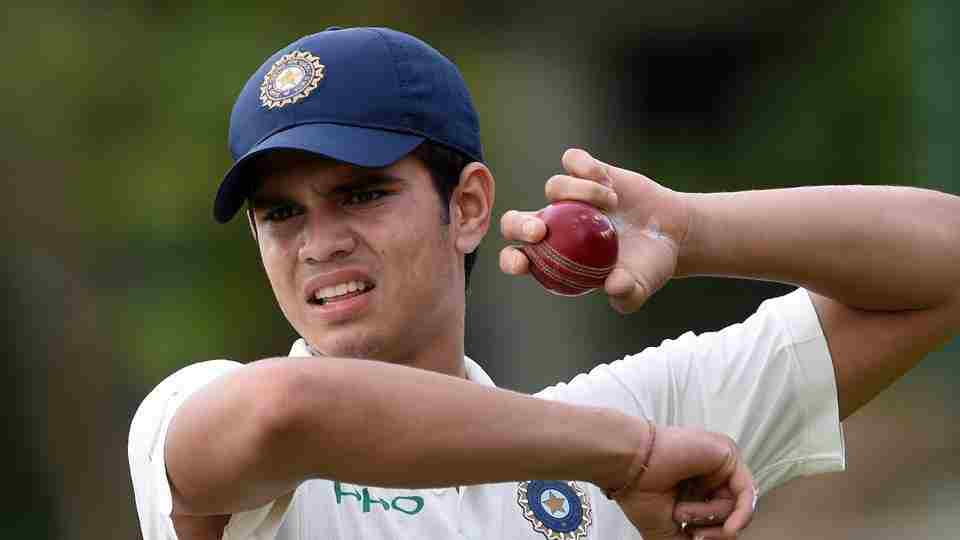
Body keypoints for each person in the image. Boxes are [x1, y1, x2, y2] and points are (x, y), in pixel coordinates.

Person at [128, 26, 960, 540]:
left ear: (468, 207)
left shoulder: (617, 421)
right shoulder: (194, 410)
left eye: (362, 193)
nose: (319, 243)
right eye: (281, 215)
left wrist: (691, 230)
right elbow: (290, 413)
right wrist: (625, 455)